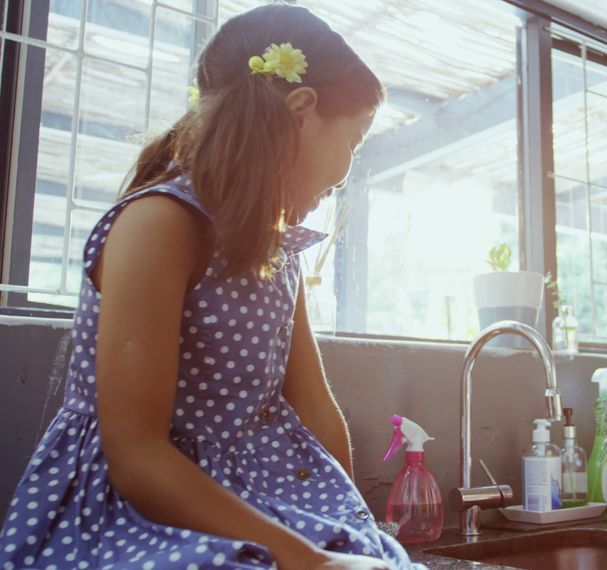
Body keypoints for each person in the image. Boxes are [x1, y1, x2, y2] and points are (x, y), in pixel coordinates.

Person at [0, 5, 419, 569]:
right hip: (134, 516)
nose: (349, 169)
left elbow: (314, 404)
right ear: (302, 111)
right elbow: (137, 457)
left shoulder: (276, 249)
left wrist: (355, 531)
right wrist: (312, 562)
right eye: (356, 141)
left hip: (264, 506)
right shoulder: (160, 224)